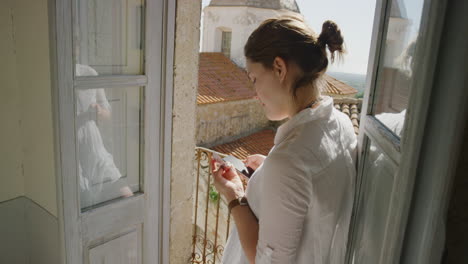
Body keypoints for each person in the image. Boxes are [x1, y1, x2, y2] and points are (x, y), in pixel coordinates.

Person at [212, 16, 357, 264]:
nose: (255, 93)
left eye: (254, 79)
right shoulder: (341, 124)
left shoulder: (289, 160)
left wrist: (236, 197)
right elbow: (314, 188)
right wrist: (270, 168)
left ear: (279, 68)